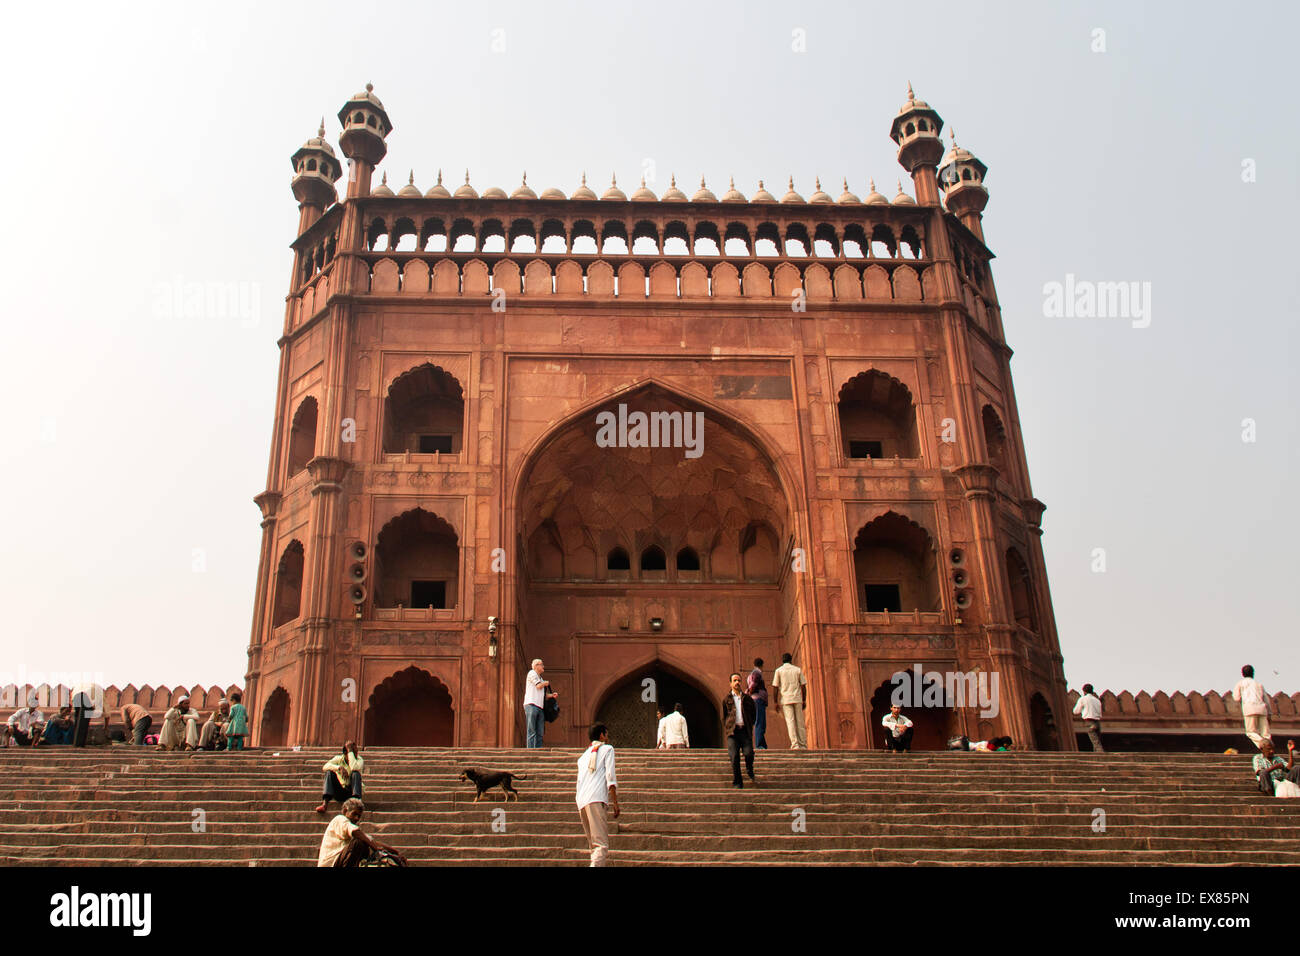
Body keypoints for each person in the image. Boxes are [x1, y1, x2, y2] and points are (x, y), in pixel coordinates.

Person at [575, 723, 619, 867]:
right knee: (601, 845)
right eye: (606, 734)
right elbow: (610, 776)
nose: (608, 737)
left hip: (582, 801)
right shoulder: (608, 749)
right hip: (596, 798)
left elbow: (579, 781)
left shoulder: (582, 757)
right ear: (602, 735)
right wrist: (615, 802)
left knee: (593, 847)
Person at [317, 798, 407, 867]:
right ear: (345, 811)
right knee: (359, 843)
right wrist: (376, 849)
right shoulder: (340, 819)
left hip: (341, 860)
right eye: (354, 814)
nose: (356, 818)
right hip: (331, 863)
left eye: (359, 816)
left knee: (365, 843)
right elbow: (357, 833)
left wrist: (396, 853)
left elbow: (372, 841)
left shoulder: (353, 830)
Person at [722, 672, 757, 788]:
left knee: (749, 753)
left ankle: (749, 768)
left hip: (744, 731)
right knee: (734, 757)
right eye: (735, 680)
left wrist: (749, 724)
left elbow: (753, 713)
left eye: (739, 680)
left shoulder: (747, 698)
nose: (737, 682)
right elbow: (724, 715)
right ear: (730, 683)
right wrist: (728, 727)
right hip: (733, 732)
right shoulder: (726, 699)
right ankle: (738, 782)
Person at [771, 653, 808, 749]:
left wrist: (775, 702)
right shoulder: (797, 670)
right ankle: (803, 744)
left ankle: (795, 744)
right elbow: (803, 686)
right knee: (800, 722)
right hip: (797, 697)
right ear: (791, 660)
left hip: (786, 699)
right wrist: (804, 700)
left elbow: (775, 687)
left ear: (782, 660)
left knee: (790, 722)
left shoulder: (779, 671)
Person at [317, 741, 365, 813]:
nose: (356, 754)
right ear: (345, 754)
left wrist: (350, 753)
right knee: (329, 772)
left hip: (352, 792)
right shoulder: (338, 759)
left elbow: (354, 768)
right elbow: (325, 766)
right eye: (354, 752)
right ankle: (325, 804)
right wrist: (339, 768)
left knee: (355, 773)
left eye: (355, 752)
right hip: (339, 791)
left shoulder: (359, 759)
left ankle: (356, 804)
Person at [1232, 665, 1272, 750]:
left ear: (1242, 674)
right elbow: (1266, 700)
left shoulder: (1240, 683)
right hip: (1262, 709)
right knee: (1266, 734)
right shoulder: (1259, 684)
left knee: (1251, 732)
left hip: (1249, 709)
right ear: (1253, 673)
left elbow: (1236, 698)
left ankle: (1264, 745)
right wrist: (1270, 713)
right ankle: (1268, 747)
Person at [523, 658, 556, 748]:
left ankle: (538, 749)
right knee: (532, 729)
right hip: (531, 704)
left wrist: (551, 695)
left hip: (540, 706)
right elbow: (538, 686)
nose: (543, 666)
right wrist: (545, 683)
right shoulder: (532, 673)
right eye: (541, 665)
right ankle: (530, 750)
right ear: (536, 666)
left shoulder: (540, 678)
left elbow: (543, 694)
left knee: (540, 731)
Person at [70, 681, 107, 747]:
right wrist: (105, 727)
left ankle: (74, 742)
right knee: (83, 721)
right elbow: (107, 713)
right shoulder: (101, 692)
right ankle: (79, 744)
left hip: (75, 695)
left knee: (78, 719)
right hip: (87, 696)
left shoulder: (83, 684)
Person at [1073, 683, 1105, 752]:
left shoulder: (1083, 699)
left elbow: (1076, 711)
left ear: (1084, 691)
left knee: (1096, 743)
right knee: (1095, 741)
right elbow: (1100, 712)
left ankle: (1102, 754)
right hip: (1097, 722)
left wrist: (1083, 710)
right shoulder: (1097, 700)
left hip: (1089, 721)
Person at [747, 658, 769, 750]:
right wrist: (750, 692)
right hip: (758, 699)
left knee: (760, 722)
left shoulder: (750, 674)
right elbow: (753, 684)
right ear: (762, 665)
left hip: (755, 699)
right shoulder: (757, 673)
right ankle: (759, 745)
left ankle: (762, 744)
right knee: (759, 722)